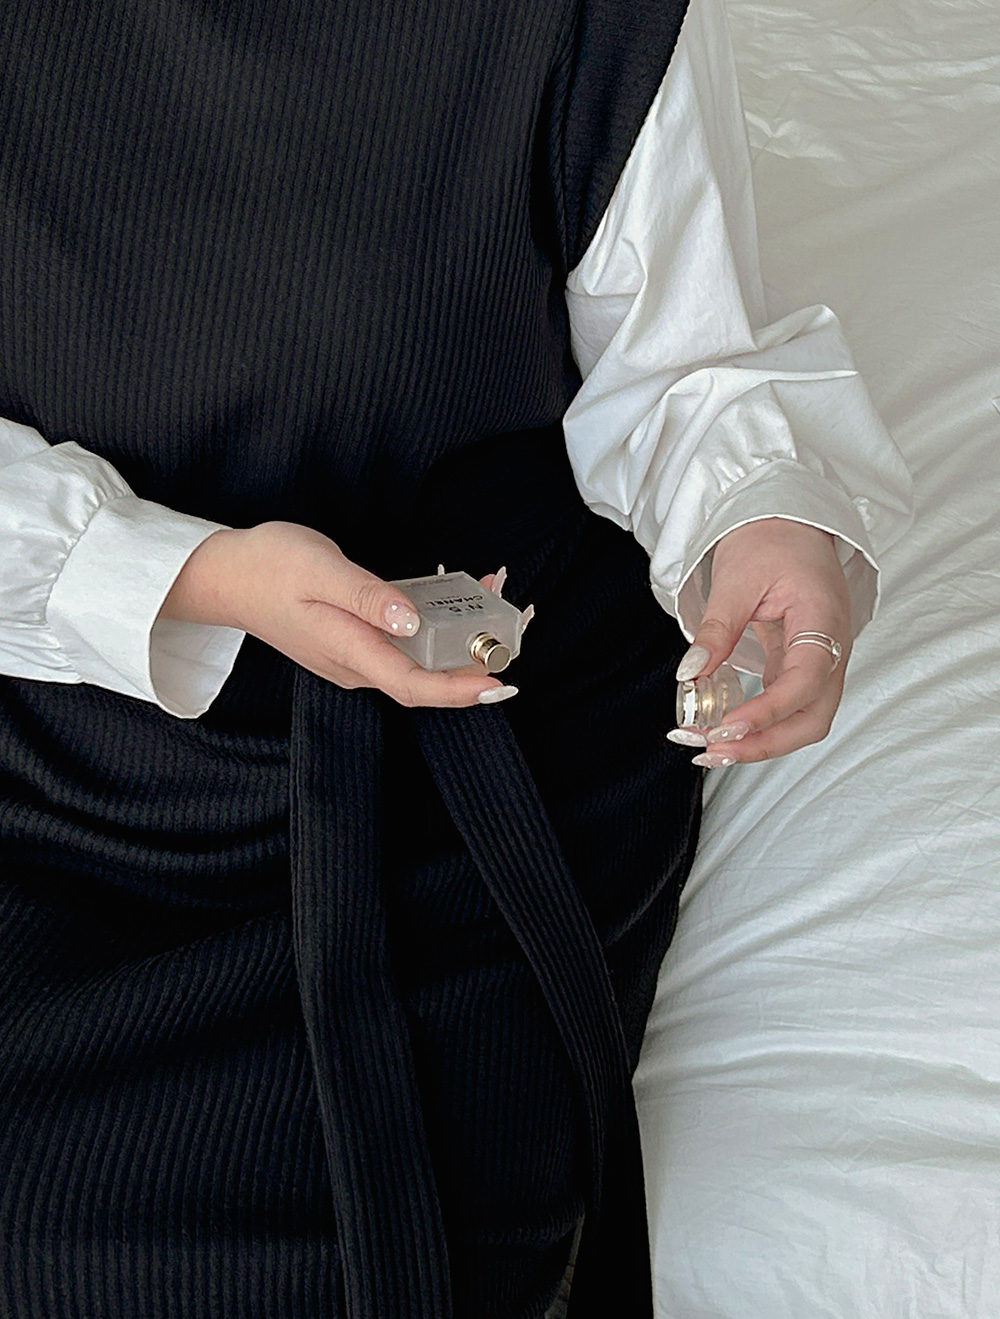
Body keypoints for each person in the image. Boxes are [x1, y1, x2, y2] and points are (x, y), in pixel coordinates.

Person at [0, 0, 912, 1314]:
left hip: (454, 744)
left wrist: (764, 521)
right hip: (45, 703)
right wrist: (189, 575)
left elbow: (685, 361)